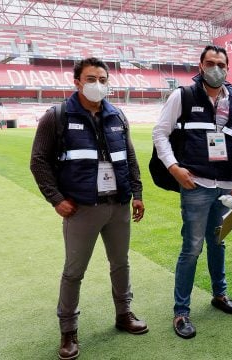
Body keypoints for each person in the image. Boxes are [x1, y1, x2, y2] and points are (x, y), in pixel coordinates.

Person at [30, 57, 148, 360]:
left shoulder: (118, 115)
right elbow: (39, 161)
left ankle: (124, 314)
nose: (98, 84)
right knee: (74, 272)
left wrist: (137, 192)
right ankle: (68, 331)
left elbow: (130, 158)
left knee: (120, 264)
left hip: (118, 204)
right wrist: (56, 199)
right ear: (77, 82)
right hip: (81, 208)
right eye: (91, 78)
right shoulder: (56, 116)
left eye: (103, 79)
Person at [152, 45, 232, 339]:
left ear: (227, 67)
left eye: (221, 63)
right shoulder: (183, 95)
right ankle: (181, 312)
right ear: (200, 65)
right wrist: (173, 167)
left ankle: (219, 295)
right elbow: (160, 133)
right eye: (210, 63)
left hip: (223, 186)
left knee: (218, 243)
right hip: (195, 185)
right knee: (192, 248)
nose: (216, 68)